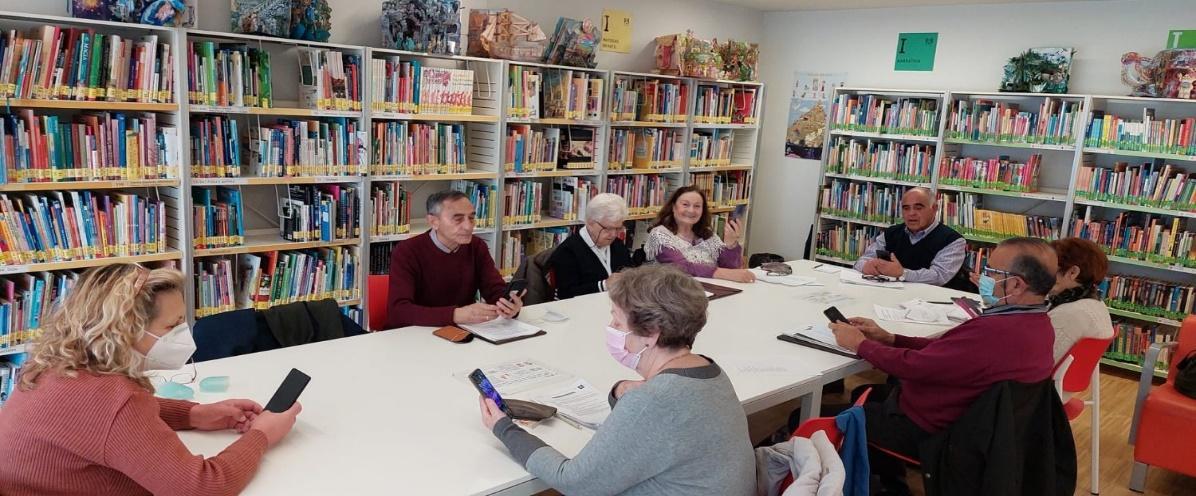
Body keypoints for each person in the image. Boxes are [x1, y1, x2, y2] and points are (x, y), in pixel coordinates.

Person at [0, 264, 302, 496]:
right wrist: (261, 436)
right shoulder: (114, 400)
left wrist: (193, 414)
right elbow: (201, 488)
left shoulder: (56, 363)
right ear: (126, 330)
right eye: (172, 325)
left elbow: (95, 420)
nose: (183, 334)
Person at [478, 265, 755, 496]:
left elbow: (573, 481)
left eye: (618, 323)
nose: (611, 329)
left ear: (651, 333)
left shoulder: (653, 401)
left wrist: (504, 428)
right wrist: (621, 391)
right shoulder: (708, 369)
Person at [830, 237, 1058, 495]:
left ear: (1016, 285)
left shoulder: (994, 332)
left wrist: (860, 345)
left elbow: (913, 367)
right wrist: (891, 338)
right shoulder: (1039, 324)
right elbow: (948, 353)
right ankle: (889, 480)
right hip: (974, 426)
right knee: (870, 396)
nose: (981, 277)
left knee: (828, 416)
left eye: (992, 273)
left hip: (936, 432)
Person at [386, 190, 524, 328]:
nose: (468, 226)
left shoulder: (476, 246)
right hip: (416, 334)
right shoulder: (407, 251)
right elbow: (398, 311)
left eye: (471, 218)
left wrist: (509, 307)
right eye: (458, 219)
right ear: (434, 221)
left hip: (462, 331)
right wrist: (455, 315)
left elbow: (495, 291)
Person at [853, 187, 967, 288]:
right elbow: (862, 260)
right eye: (906, 208)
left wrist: (902, 273)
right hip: (891, 294)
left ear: (934, 209)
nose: (911, 213)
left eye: (918, 208)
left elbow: (938, 276)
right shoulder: (891, 233)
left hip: (931, 301)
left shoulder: (953, 240)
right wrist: (866, 266)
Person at [644, 186, 755, 283]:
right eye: (685, 205)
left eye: (697, 206)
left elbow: (732, 270)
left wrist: (731, 245)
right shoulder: (660, 234)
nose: (691, 210)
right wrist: (724, 273)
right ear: (673, 207)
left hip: (711, 292)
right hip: (673, 296)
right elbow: (681, 267)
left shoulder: (708, 235)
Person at [548, 193, 635, 299]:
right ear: (590, 222)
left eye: (618, 228)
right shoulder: (567, 252)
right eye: (607, 228)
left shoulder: (618, 245)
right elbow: (565, 294)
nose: (613, 234)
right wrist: (603, 285)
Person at [1047, 238, 1114, 363]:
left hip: (1046, 380)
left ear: (1072, 272)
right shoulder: (1097, 303)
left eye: (1049, 268)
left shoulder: (1067, 314)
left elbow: (1039, 364)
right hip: (1069, 380)